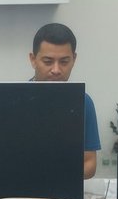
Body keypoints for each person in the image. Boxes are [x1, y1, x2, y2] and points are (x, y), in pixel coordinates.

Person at [28, 21, 102, 178]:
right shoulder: (14, 100)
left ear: (74, 59)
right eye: (48, 62)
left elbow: (89, 164)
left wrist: (53, 175)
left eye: (64, 62)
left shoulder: (83, 102)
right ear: (33, 59)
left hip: (64, 197)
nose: (56, 70)